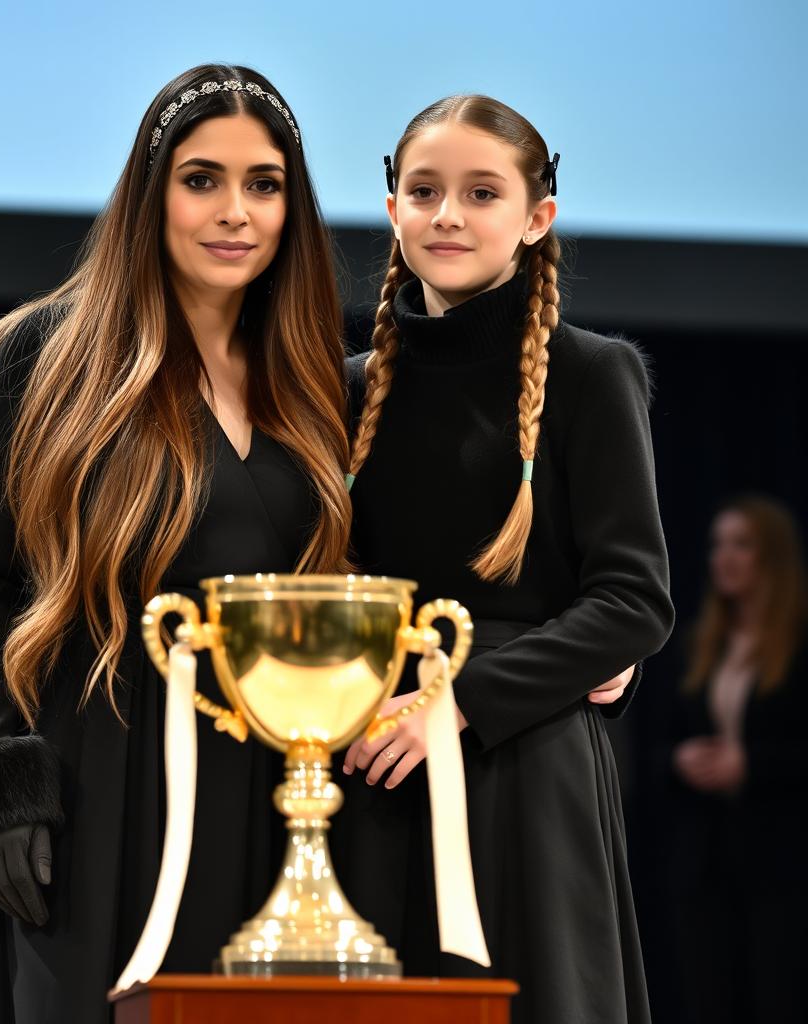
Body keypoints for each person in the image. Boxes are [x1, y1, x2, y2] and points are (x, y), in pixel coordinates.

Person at [0, 63, 351, 1023]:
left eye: (264, 183)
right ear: (150, 195)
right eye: (202, 179)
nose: (234, 210)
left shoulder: (320, 381)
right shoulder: (40, 353)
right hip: (89, 797)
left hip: (266, 805)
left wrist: (579, 654)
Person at [334, 95, 674, 1023]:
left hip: (520, 767)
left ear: (535, 219)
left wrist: (462, 705)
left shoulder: (593, 373)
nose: (448, 214)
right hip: (370, 761)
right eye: (425, 190)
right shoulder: (345, 387)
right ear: (394, 209)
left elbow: (634, 602)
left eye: (482, 192)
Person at [664, 495, 807, 1023]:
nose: (724, 557)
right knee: (709, 998)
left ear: (773, 557)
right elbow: (660, 742)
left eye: (741, 544)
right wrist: (681, 759)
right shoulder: (699, 644)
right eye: (717, 544)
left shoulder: (799, 644)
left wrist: (752, 765)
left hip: (782, 861)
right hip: (707, 860)